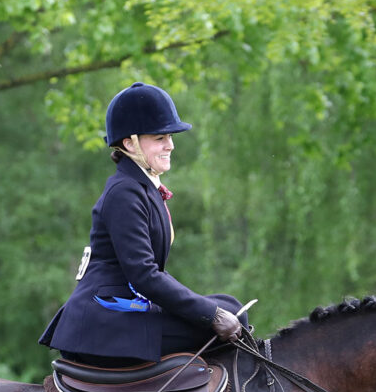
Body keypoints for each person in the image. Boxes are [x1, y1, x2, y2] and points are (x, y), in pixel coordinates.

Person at [39, 82, 244, 368]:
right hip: (106, 323)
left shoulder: (142, 187)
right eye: (160, 137)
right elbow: (145, 275)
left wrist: (212, 309)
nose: (170, 145)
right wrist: (210, 315)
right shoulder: (124, 192)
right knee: (227, 321)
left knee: (232, 306)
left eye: (169, 137)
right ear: (129, 143)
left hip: (128, 311)